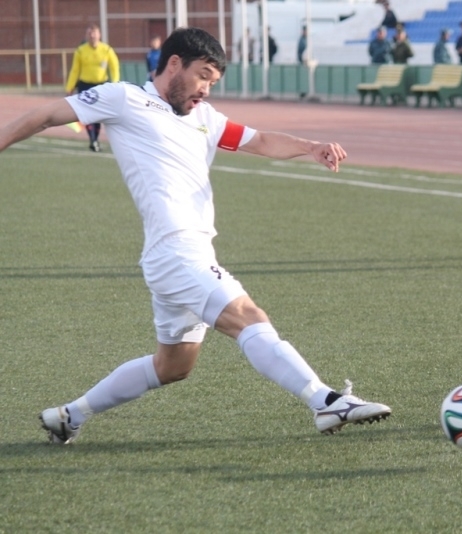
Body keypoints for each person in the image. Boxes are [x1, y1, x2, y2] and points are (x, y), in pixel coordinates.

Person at [0, 27, 391, 445]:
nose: (206, 89)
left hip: (184, 254)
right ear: (174, 64)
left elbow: (259, 140)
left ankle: (68, 416)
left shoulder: (205, 117)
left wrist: (310, 146)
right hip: (177, 251)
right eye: (202, 76)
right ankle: (326, 401)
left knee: (173, 367)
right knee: (248, 316)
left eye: (213, 82)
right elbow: (44, 116)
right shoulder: (124, 98)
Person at [65, 23, 119, 153]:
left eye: (94, 33)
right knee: (87, 114)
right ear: (86, 35)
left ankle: (96, 139)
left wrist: (115, 83)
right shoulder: (80, 51)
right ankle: (93, 140)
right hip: (85, 85)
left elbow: (114, 67)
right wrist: (69, 86)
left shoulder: (106, 50)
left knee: (98, 115)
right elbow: (75, 70)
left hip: (101, 85)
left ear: (99, 35)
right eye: (89, 33)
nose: (92, 36)